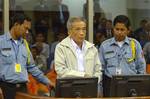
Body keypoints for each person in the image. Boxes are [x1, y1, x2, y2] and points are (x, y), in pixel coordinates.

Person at [0, 13, 54, 99]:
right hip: (5, 88)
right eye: (25, 28)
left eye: (28, 29)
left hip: (22, 88)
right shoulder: (1, 42)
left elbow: (32, 67)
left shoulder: (25, 44)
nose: (27, 32)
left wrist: (47, 81)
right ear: (16, 25)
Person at [99, 15, 146, 96]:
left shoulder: (135, 44)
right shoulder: (105, 45)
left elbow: (141, 67)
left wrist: (140, 87)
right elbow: (100, 69)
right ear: (113, 29)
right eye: (117, 29)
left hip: (131, 84)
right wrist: (100, 89)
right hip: (110, 84)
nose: (119, 32)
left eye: (122, 29)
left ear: (128, 30)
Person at [54, 17, 102, 95]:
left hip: (89, 88)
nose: (82, 33)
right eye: (78, 29)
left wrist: (93, 81)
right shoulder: (61, 47)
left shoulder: (92, 48)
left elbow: (98, 70)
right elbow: (61, 70)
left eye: (84, 29)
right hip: (68, 89)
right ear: (69, 31)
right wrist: (83, 76)